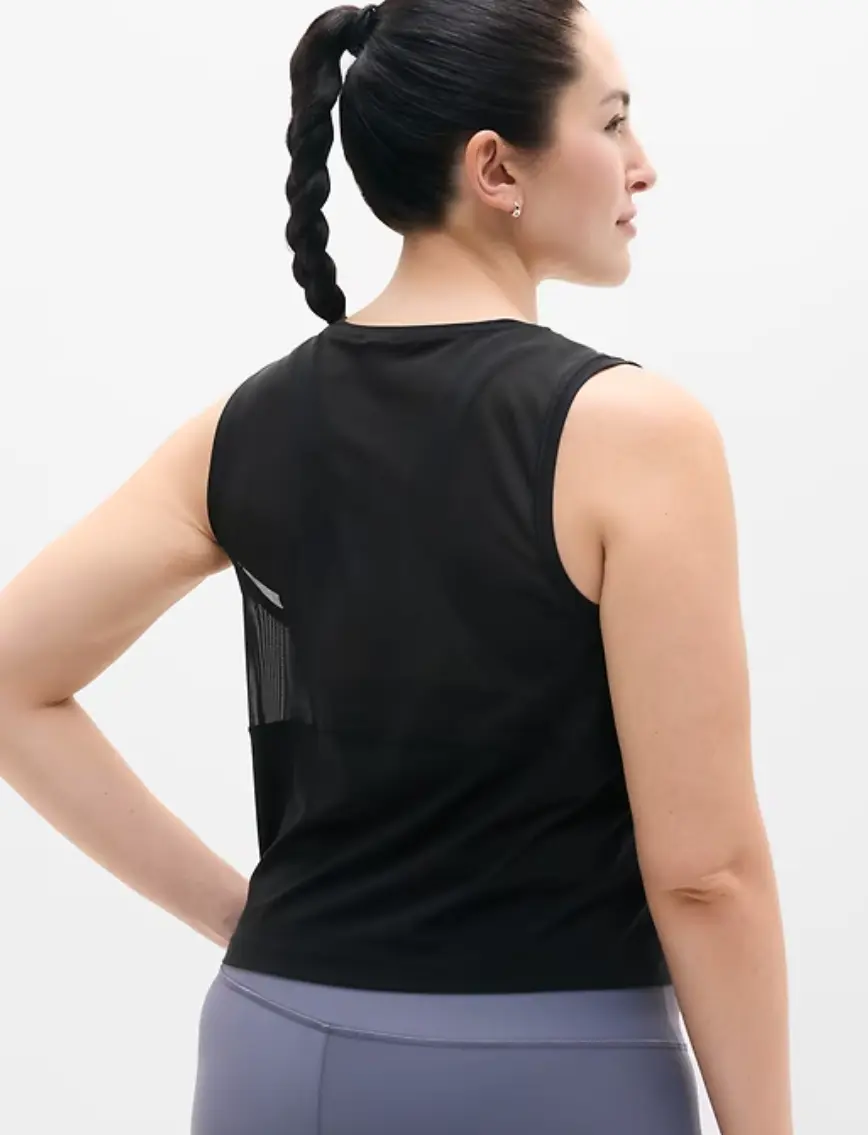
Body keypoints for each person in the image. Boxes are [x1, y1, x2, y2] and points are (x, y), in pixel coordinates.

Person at [0, 1, 794, 1133]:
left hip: (274, 1046)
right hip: (549, 1067)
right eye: (613, 121)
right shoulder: (635, 432)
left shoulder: (242, 426)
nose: (643, 164)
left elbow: (13, 678)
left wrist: (248, 922)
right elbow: (705, 874)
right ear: (495, 168)